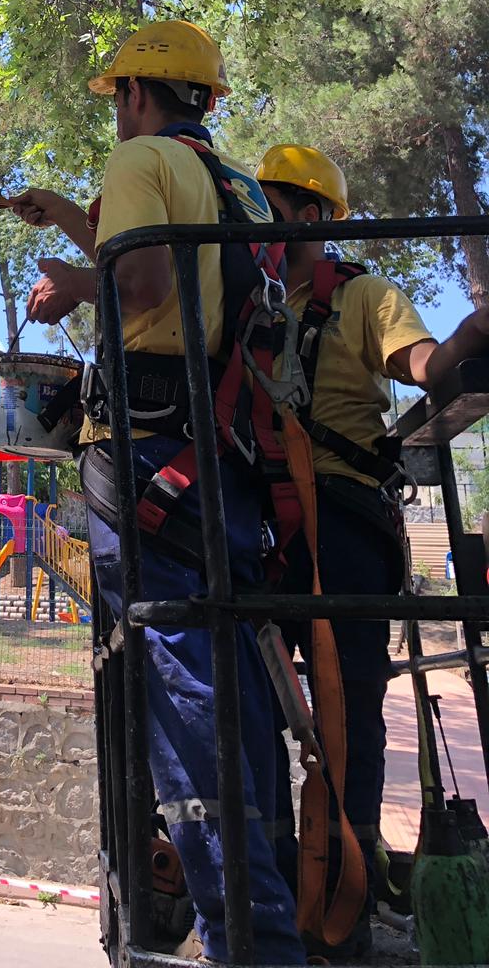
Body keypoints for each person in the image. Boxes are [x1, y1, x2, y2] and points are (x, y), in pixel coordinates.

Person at [8, 20, 305, 967]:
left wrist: (69, 281)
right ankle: (270, 923)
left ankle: (244, 943)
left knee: (179, 692)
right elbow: (160, 264)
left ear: (137, 95)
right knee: (232, 687)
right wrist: (61, 212)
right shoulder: (240, 187)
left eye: (119, 99)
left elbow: (136, 281)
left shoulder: (139, 158)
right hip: (221, 460)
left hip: (148, 456)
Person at [256, 143, 489, 955]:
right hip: (258, 526)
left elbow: (424, 365)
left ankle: (343, 900)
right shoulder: (237, 306)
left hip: (344, 524)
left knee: (349, 713)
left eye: (272, 207)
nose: (257, 222)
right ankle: (270, 883)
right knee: (248, 707)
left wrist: (469, 335)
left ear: (311, 217)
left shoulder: (364, 298)